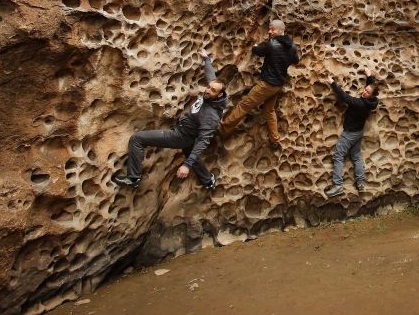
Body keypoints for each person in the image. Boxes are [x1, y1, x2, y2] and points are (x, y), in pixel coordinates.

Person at [112, 53, 227, 190]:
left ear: (219, 95)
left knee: (137, 139)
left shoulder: (211, 115)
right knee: (192, 156)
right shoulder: (213, 95)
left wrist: (186, 165)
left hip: (179, 136)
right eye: (208, 87)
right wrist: (207, 60)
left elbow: (203, 141)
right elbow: (211, 77)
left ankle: (132, 178)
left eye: (212, 90)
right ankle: (208, 181)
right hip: (187, 133)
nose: (207, 90)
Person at [218, 19, 299, 149]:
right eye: (269, 28)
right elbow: (296, 61)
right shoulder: (292, 46)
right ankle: (275, 140)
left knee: (244, 105)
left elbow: (257, 51)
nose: (270, 31)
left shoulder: (271, 44)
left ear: (280, 30)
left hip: (267, 84)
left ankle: (222, 129)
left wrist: (255, 46)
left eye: (272, 29)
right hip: (278, 85)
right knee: (269, 110)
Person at [324, 72, 379, 197]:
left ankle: (337, 186)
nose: (364, 92)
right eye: (365, 90)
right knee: (356, 156)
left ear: (371, 96)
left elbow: (344, 97)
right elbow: (372, 88)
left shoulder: (359, 103)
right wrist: (369, 76)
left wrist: (332, 82)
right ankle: (360, 184)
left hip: (350, 133)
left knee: (338, 156)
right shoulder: (373, 102)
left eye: (367, 92)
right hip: (359, 132)